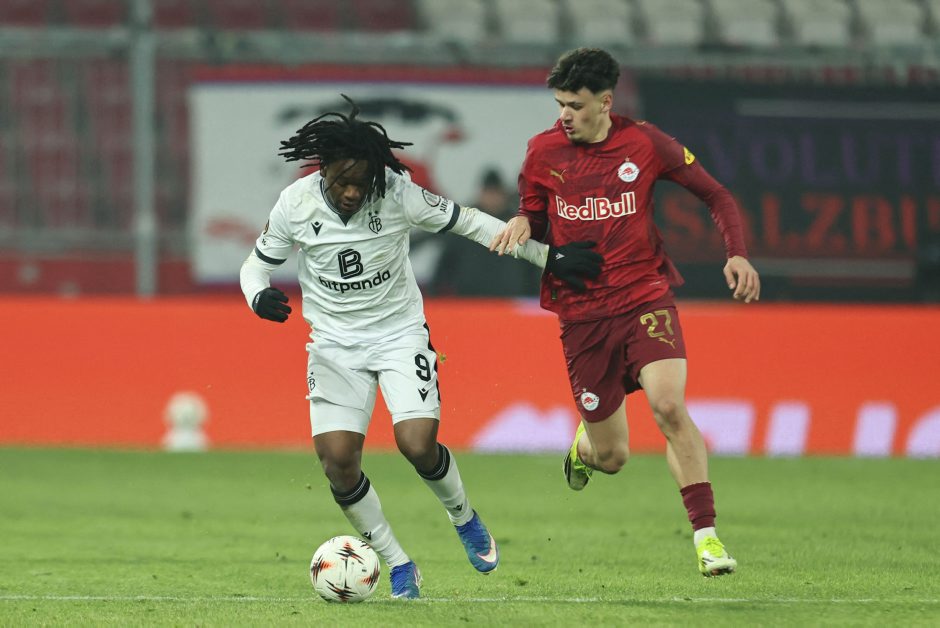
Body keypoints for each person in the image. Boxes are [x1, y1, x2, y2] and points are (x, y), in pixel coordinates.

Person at [239, 95, 600, 599]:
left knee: (416, 443)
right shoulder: (295, 204)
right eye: (342, 181)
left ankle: (464, 517)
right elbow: (255, 266)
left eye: (361, 182)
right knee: (338, 461)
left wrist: (549, 258)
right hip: (334, 346)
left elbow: (471, 222)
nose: (352, 191)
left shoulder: (397, 192)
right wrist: (257, 295)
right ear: (324, 170)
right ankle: (398, 563)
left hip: (398, 334)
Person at [490, 48, 760, 577]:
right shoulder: (542, 151)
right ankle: (583, 450)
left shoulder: (645, 143)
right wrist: (524, 222)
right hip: (582, 315)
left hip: (644, 297)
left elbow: (716, 195)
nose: (565, 115)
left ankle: (706, 537)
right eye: (560, 104)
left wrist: (737, 253)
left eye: (575, 105)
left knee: (669, 407)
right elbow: (535, 214)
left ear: (606, 102)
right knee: (612, 457)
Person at [426, 167, 542, 297]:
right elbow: (445, 265)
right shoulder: (463, 225)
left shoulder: (518, 227)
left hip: (510, 302)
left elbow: (532, 270)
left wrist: (535, 299)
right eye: (488, 192)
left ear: (503, 195)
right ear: (481, 193)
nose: (492, 198)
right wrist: (434, 295)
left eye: (495, 193)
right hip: (469, 302)